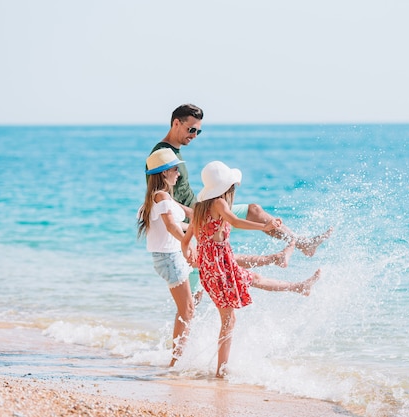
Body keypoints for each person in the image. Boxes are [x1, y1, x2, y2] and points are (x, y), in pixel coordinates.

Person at [138, 149, 296, 367]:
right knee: (192, 310)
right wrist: (264, 225)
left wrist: (188, 245)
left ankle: (179, 362)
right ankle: (176, 364)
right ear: (163, 173)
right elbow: (173, 226)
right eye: (174, 169)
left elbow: (188, 224)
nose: (178, 173)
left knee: (232, 284)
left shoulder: (169, 200)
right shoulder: (164, 197)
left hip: (186, 260)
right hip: (174, 260)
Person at [181, 161, 321, 378]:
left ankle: (298, 287)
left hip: (211, 269)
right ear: (227, 188)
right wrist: (264, 226)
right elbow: (235, 221)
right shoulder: (219, 203)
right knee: (229, 320)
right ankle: (221, 371)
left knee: (252, 280)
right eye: (233, 187)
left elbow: (186, 238)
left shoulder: (199, 209)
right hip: (220, 269)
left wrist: (187, 252)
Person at [150, 103, 333, 258]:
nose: (195, 135)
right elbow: (159, 196)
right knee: (199, 286)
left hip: (199, 209)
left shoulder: (172, 151)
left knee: (254, 211)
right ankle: (301, 244)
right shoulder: (161, 154)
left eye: (198, 131)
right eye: (191, 130)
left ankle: (301, 243)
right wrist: (193, 215)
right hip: (195, 217)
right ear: (176, 123)